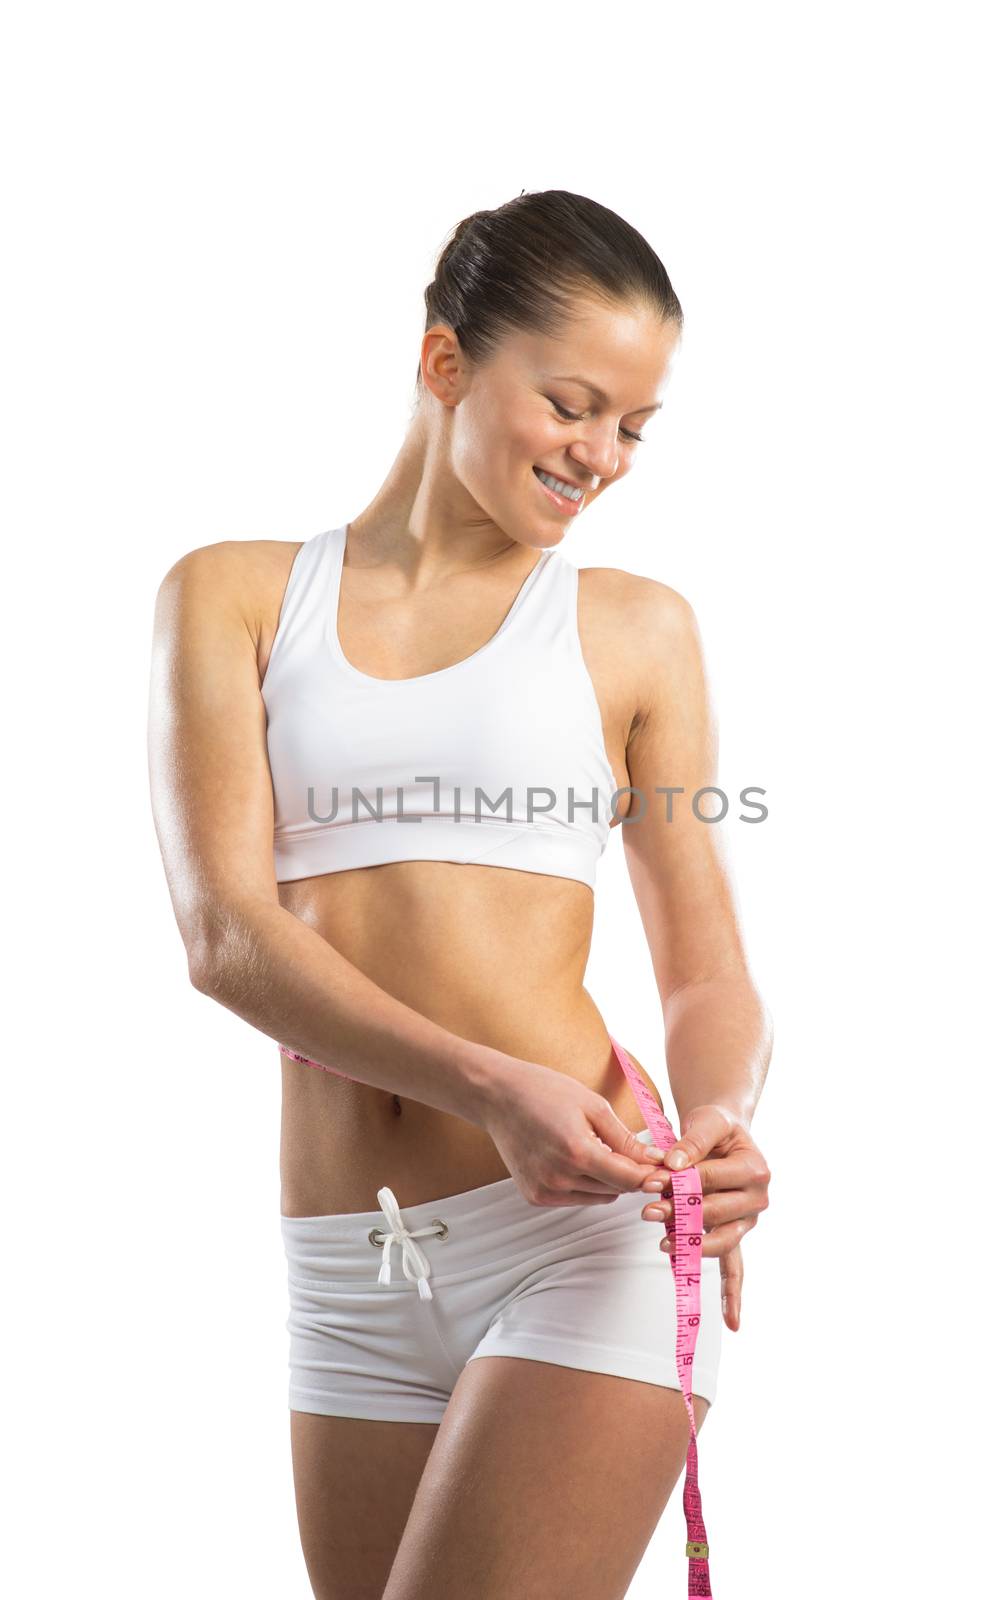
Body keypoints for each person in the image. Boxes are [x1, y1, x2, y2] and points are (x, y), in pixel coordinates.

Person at [148, 188, 773, 1600]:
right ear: (446, 366)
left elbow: (704, 969)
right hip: (350, 1261)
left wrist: (725, 1114)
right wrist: (485, 1083)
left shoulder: (633, 629)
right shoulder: (237, 598)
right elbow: (224, 933)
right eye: (573, 404)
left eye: (635, 425)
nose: (603, 456)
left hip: (579, 1231)